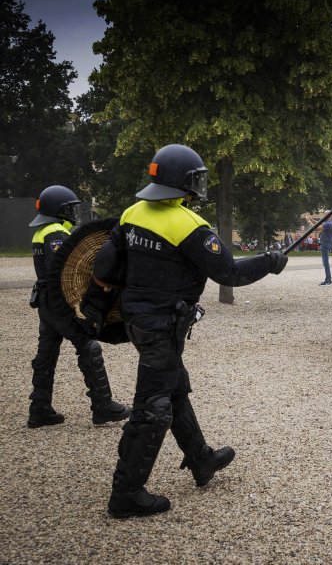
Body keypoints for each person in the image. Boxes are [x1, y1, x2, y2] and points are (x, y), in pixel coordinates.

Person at [90, 144, 288, 518]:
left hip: (135, 320)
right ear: (185, 182)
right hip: (162, 325)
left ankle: (201, 459)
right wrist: (270, 261)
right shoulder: (188, 225)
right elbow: (230, 273)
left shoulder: (132, 213)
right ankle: (126, 494)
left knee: (174, 386)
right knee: (153, 407)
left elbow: (104, 264)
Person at [27, 185, 131, 429]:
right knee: (88, 344)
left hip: (45, 302)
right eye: (70, 208)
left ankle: (39, 408)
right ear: (59, 210)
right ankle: (103, 405)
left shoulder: (42, 232)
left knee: (47, 354)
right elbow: (63, 272)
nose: (74, 212)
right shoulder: (56, 233)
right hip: (57, 302)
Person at [308, 214, 332, 285]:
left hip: (325, 244)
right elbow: (319, 223)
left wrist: (308, 221)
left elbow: (317, 228)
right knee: (325, 262)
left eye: (325, 215)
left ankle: (328, 280)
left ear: (329, 215)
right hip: (326, 244)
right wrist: (311, 219)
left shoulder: (328, 224)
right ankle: (328, 279)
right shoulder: (330, 222)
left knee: (325, 262)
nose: (324, 216)